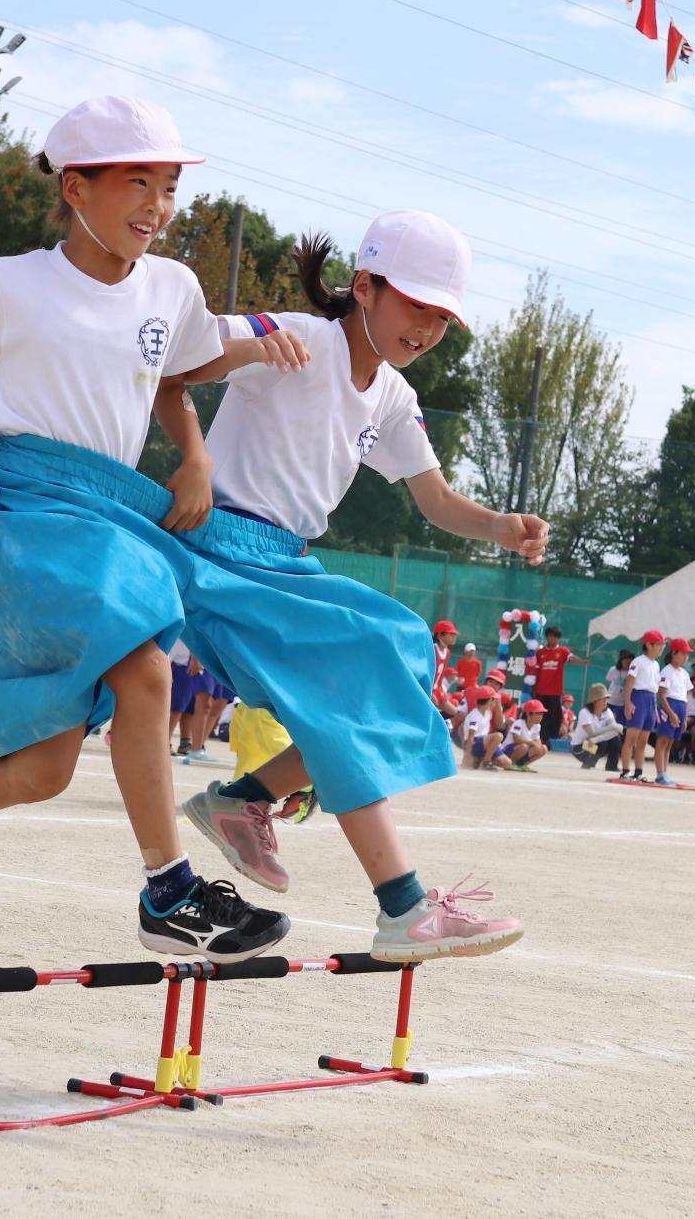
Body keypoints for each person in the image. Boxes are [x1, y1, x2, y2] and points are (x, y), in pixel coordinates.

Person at [0, 95, 287, 961]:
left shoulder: (174, 288)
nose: (158, 206)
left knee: (42, 771)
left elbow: (180, 376)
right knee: (147, 666)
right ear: (76, 188)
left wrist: (193, 458)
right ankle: (171, 891)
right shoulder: (12, 283)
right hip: (19, 508)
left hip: (110, 513)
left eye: (168, 187)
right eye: (138, 183)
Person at [170, 214, 537, 959]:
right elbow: (177, 355)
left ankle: (244, 800)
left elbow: (433, 498)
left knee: (406, 652)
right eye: (415, 307)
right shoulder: (298, 334)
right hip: (220, 550)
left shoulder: (394, 396)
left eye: (442, 317)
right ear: (364, 286)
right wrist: (199, 451)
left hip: (288, 563)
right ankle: (402, 904)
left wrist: (500, 526)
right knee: (355, 675)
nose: (427, 328)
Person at [616, 630, 665, 780]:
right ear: (649, 645)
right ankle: (625, 770)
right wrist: (628, 703)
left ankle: (638, 772)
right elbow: (629, 683)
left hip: (650, 700)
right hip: (638, 697)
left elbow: (654, 687)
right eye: (659, 644)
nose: (662, 648)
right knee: (631, 737)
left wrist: (655, 709)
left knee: (643, 740)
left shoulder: (656, 664)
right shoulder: (638, 661)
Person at [651, 638, 692, 784]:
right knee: (662, 741)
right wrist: (671, 713)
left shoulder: (685, 674)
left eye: (687, 654)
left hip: (680, 707)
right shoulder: (666, 671)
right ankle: (659, 774)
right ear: (674, 653)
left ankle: (665, 773)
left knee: (670, 743)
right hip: (669, 707)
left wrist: (685, 716)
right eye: (683, 653)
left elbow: (686, 697)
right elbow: (661, 695)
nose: (686, 657)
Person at [530, 625, 574, 747]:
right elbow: (536, 672)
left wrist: (583, 662)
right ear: (547, 637)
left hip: (555, 693)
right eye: (551, 637)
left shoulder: (563, 651)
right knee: (540, 718)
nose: (553, 640)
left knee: (555, 718)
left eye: (556, 637)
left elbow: (572, 658)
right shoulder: (540, 653)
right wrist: (534, 690)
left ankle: (552, 741)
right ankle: (541, 740)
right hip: (541, 692)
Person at [571, 684, 623, 769]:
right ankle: (588, 762)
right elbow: (592, 734)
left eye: (606, 698)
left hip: (595, 742)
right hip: (580, 748)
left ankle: (612, 766)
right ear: (595, 700)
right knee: (602, 742)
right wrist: (612, 727)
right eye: (603, 699)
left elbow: (615, 732)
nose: (605, 701)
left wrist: (613, 728)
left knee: (616, 738)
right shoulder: (585, 712)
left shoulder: (607, 711)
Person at [505, 700, 548, 769]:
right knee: (524, 747)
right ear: (528, 714)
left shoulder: (537, 726)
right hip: (508, 750)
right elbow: (516, 740)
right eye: (537, 714)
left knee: (543, 748)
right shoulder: (519, 723)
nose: (540, 717)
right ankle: (509, 764)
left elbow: (537, 740)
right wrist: (533, 743)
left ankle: (523, 765)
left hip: (523, 749)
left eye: (541, 714)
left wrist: (539, 746)